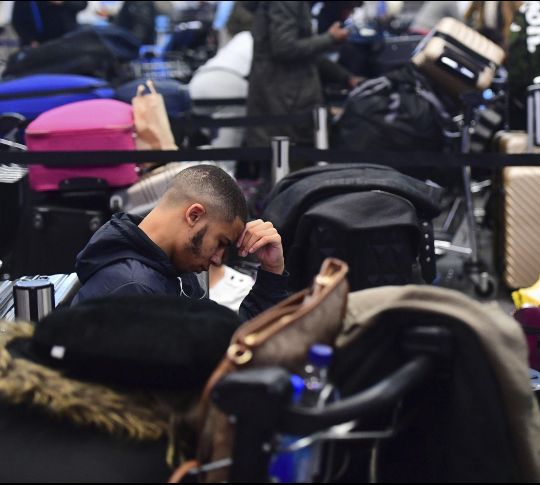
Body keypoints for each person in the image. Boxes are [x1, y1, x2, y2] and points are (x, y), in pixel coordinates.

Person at [71, 165, 288, 321]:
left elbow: (222, 344)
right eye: (220, 242)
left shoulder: (170, 270)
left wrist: (271, 272)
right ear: (194, 215)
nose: (217, 259)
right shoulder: (134, 290)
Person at [245, 1, 359, 148]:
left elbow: (306, 55)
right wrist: (330, 38)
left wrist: (345, 77)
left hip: (285, 101)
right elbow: (284, 47)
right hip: (285, 104)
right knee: (288, 164)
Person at [11, 1, 87, 48]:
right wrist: (30, 41)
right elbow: (17, 21)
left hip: (68, 41)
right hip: (39, 45)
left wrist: (63, 2)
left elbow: (82, 4)